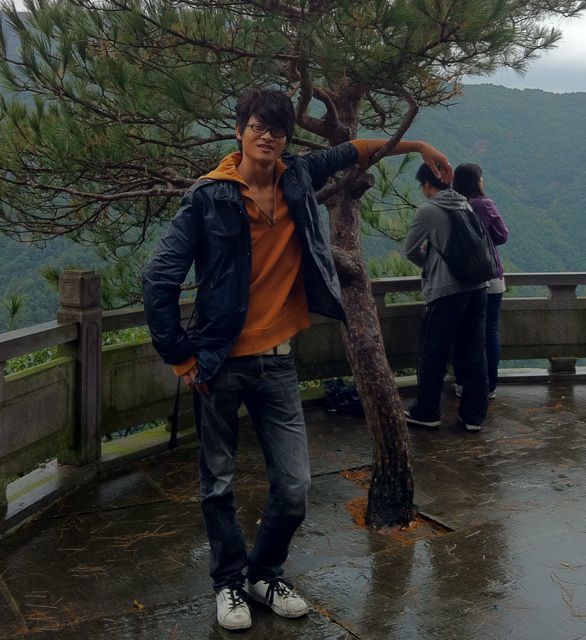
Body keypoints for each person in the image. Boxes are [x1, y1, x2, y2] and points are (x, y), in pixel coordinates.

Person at [142, 88, 452, 631]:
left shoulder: (297, 178)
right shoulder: (208, 197)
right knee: (218, 483)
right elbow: (158, 278)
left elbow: (354, 151)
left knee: (294, 485)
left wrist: (418, 144)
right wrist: (179, 357)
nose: (267, 136)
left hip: (278, 361)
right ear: (240, 130)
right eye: (258, 126)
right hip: (218, 364)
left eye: (277, 129)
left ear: (286, 138)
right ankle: (228, 582)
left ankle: (264, 573)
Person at [404, 163, 489, 432]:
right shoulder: (465, 205)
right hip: (478, 287)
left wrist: (430, 265)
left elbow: (410, 250)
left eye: (422, 185)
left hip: (447, 291)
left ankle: (427, 411)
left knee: (433, 351)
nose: (422, 190)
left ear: (428, 184)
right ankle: (473, 416)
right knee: (474, 351)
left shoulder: (428, 210)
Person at [452, 163, 508, 399]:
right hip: (489, 276)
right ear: (476, 181)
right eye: (481, 177)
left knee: (462, 331)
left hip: (461, 277)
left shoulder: (453, 205)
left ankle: (463, 382)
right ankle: (489, 385)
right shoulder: (483, 204)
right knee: (489, 331)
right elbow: (502, 235)